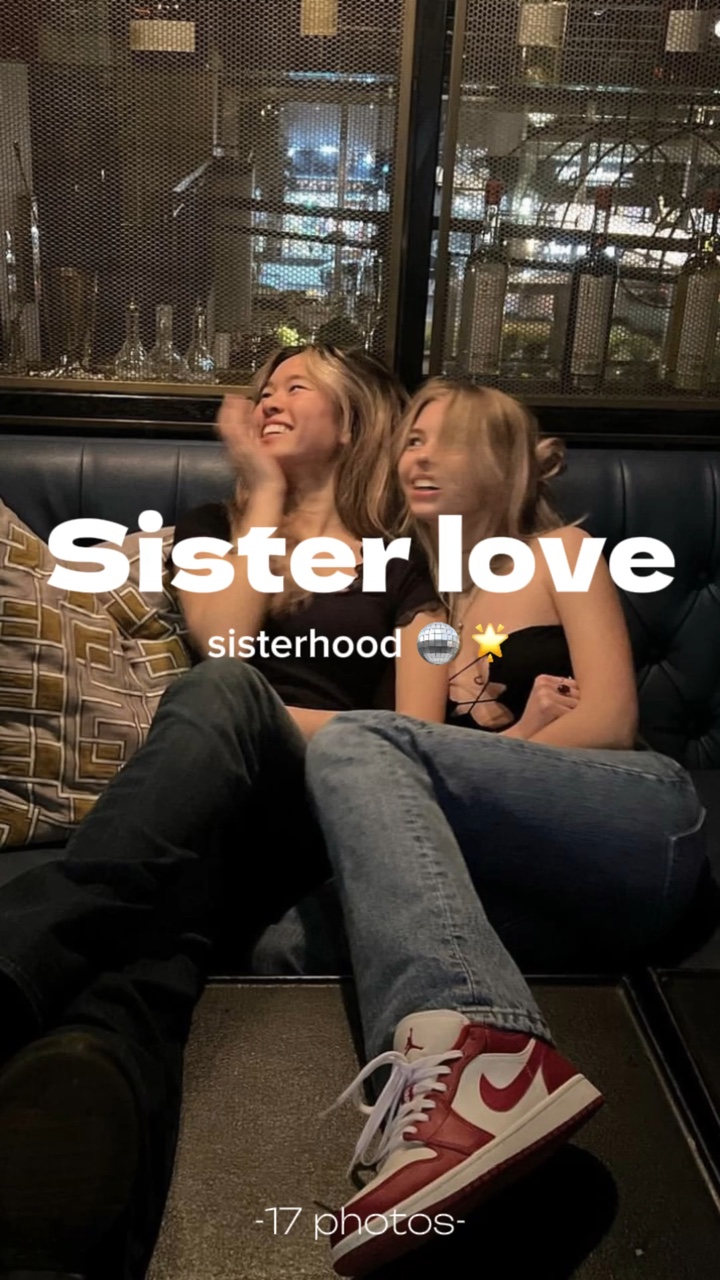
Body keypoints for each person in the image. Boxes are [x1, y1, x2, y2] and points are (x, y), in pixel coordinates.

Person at [0, 345, 446, 1280]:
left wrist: (282, 720)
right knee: (151, 963)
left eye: (298, 387)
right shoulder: (213, 530)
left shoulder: (406, 567)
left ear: (353, 422)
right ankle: (74, 1226)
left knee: (224, 695)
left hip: (319, 803)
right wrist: (265, 496)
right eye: (264, 388)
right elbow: (226, 633)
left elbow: (414, 735)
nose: (268, 399)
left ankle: (20, 950)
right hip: (208, 812)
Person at [296, 380, 709, 1277]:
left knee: (360, 742)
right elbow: (430, 760)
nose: (416, 457)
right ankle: (445, 1120)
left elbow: (610, 721)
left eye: (443, 439)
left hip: (632, 817)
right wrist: (515, 737)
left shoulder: (562, 553)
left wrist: (513, 748)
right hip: (525, 877)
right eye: (410, 440)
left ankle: (490, 1067)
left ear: (504, 460)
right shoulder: (429, 603)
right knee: (293, 933)